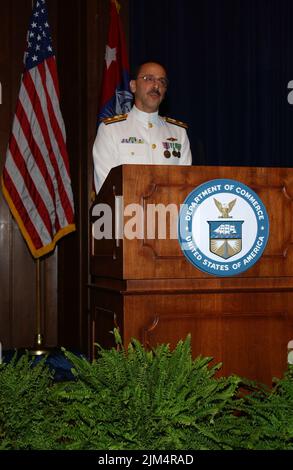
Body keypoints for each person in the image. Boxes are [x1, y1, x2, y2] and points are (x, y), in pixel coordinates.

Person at [93, 61, 192, 194]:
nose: (156, 85)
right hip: (126, 213)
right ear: (133, 86)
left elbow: (184, 185)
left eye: (162, 81)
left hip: (169, 212)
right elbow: (106, 188)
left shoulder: (178, 133)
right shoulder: (111, 130)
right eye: (149, 79)